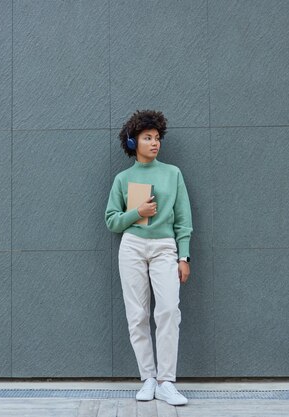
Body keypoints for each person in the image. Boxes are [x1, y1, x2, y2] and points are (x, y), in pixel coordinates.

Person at [105, 109, 192, 406]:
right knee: (137, 316)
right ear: (133, 142)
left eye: (157, 138)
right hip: (131, 248)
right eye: (147, 138)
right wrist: (137, 213)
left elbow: (183, 219)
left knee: (168, 310)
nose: (154, 143)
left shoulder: (173, 174)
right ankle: (148, 379)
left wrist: (185, 256)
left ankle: (167, 381)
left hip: (165, 247)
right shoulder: (122, 179)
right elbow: (112, 221)